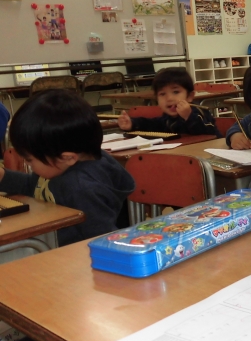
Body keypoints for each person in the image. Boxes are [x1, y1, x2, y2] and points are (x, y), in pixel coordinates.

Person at [0, 90, 135, 246]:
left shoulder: (81, 189)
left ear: (68, 157)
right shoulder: (58, 166)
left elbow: (104, 242)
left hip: (68, 254)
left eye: (30, 160)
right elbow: (35, 187)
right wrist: (3, 176)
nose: (28, 164)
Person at [117, 67, 220, 137]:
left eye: (176, 92)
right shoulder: (167, 119)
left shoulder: (199, 112)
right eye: (162, 94)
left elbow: (209, 134)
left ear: (189, 96)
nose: (169, 98)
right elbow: (150, 124)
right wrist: (132, 124)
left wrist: (189, 117)